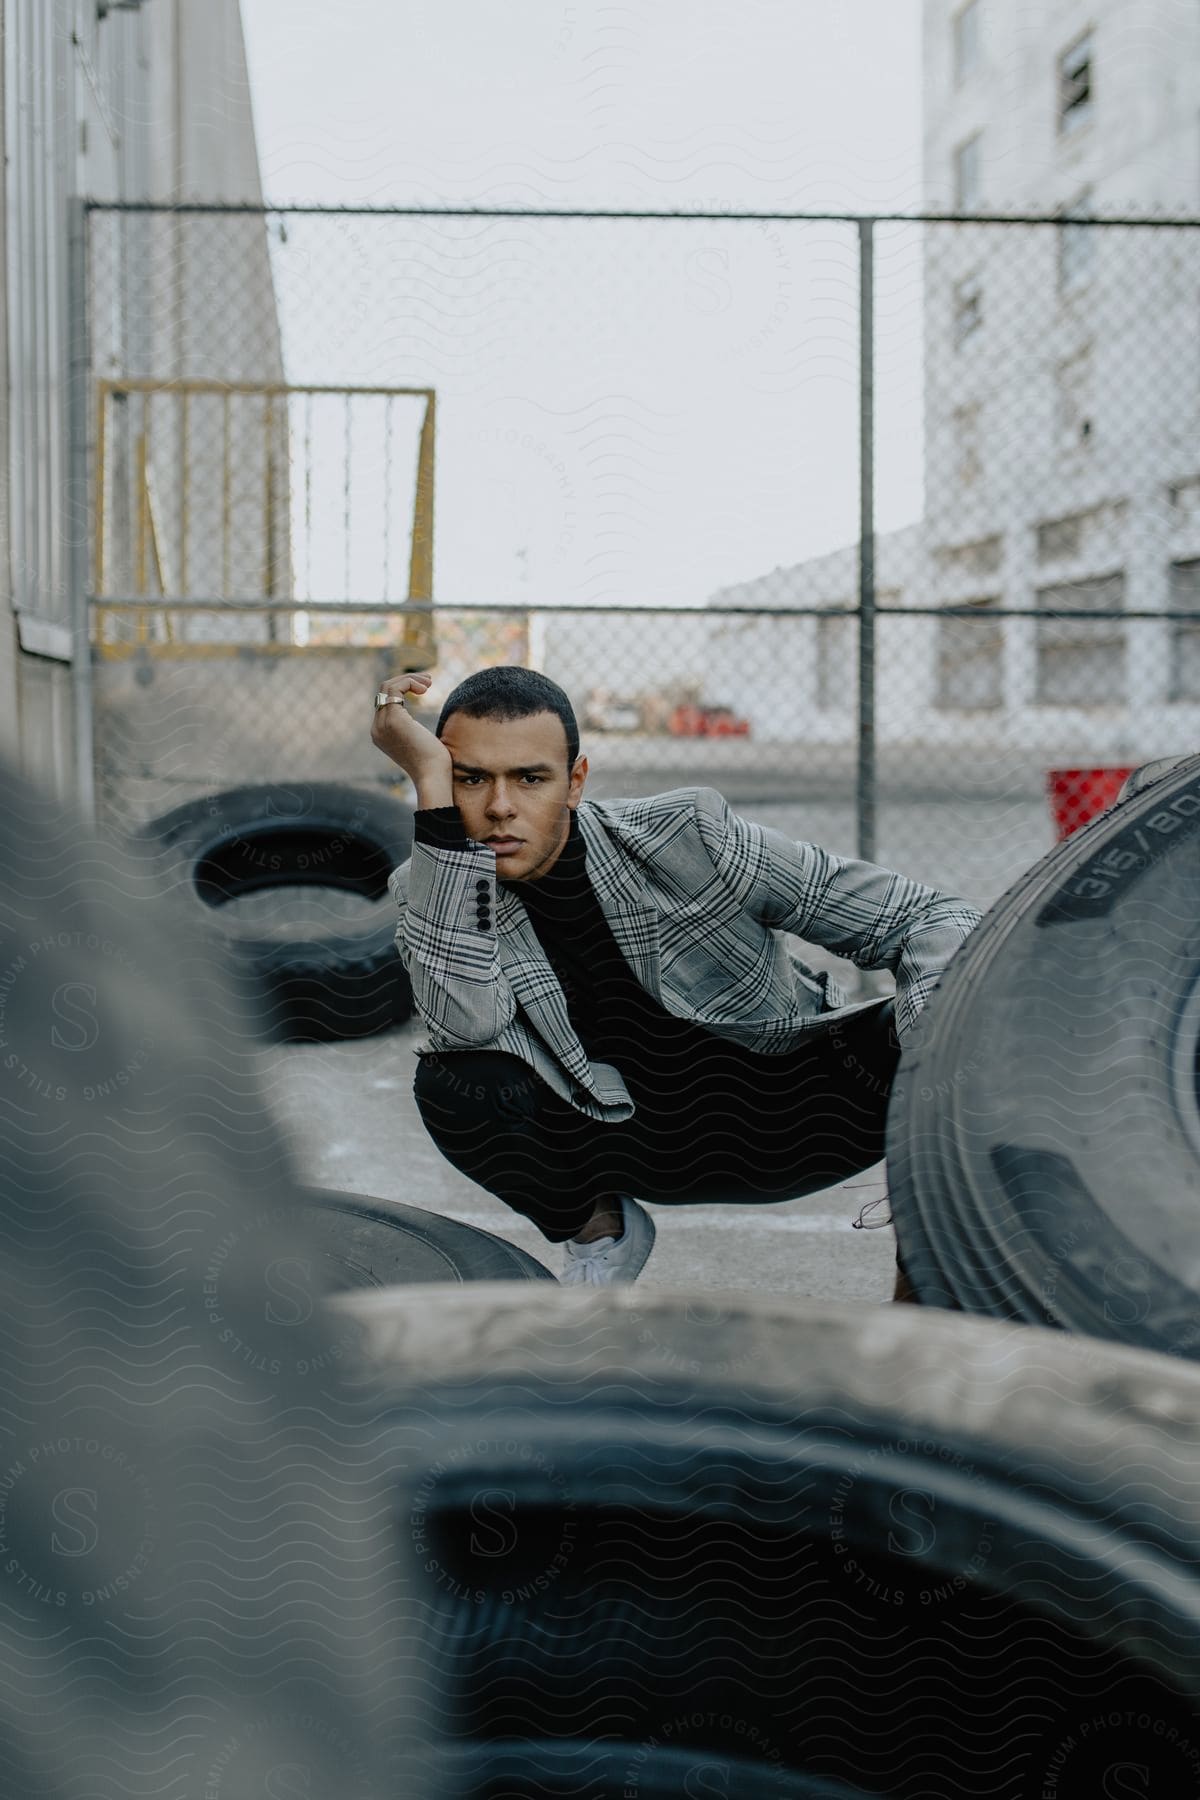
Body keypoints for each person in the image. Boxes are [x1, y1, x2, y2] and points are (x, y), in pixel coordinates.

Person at [373, 666, 981, 1296]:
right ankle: (601, 1234)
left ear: (575, 781)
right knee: (455, 1082)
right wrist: (431, 796)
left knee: (954, 1022)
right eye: (471, 779)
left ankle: (927, 1293)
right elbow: (464, 1026)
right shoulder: (431, 888)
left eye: (531, 778)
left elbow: (928, 917)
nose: (501, 807)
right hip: (629, 1141)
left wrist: (927, 1040)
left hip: (798, 1111)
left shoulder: (687, 836)